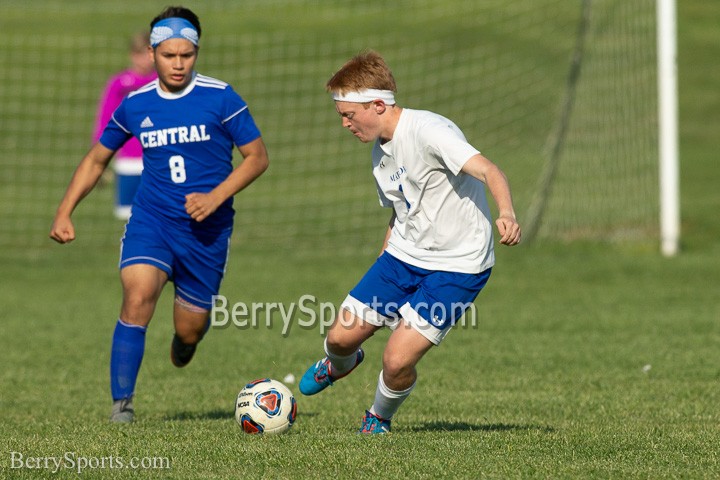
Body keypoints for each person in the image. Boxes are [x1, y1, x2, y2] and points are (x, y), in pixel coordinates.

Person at [50, 6, 269, 423]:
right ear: (152, 54)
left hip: (207, 232)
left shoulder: (221, 97)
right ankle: (122, 406)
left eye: (186, 55)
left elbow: (257, 158)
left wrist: (216, 196)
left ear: (196, 52)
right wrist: (64, 211)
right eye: (169, 55)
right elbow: (98, 159)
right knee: (137, 296)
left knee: (189, 330)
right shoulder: (135, 105)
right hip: (152, 222)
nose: (178, 63)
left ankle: (185, 343)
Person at [298, 50, 521, 434]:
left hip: (458, 264)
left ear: (379, 105)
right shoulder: (379, 154)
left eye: (349, 115)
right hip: (403, 257)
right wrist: (385, 253)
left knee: (397, 360)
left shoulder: (430, 131)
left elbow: (489, 169)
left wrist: (507, 214)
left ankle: (378, 417)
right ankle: (340, 365)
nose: (345, 125)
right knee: (339, 338)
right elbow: (401, 210)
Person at [93, 31, 157, 220]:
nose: (144, 60)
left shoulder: (162, 82)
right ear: (131, 55)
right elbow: (105, 120)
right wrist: (100, 160)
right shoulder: (119, 84)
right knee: (128, 217)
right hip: (128, 161)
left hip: (157, 160)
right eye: (139, 54)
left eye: (147, 54)